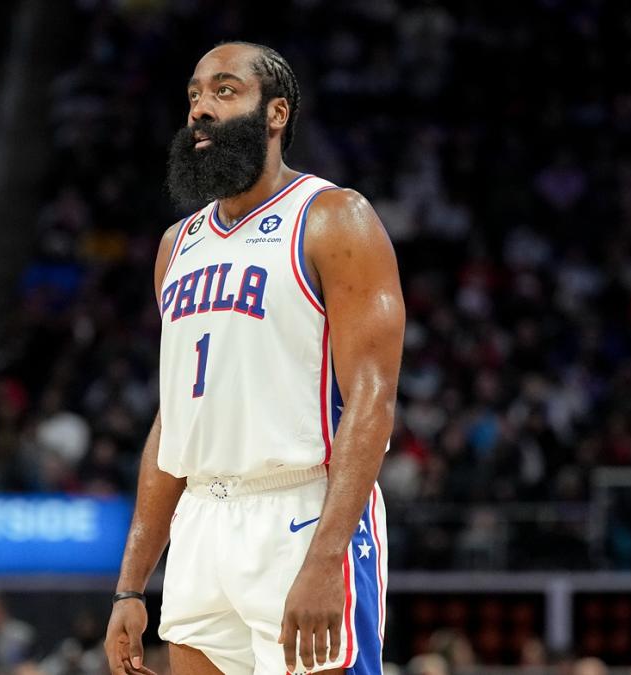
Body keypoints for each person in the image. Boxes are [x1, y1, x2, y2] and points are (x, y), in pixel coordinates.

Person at [105, 41, 404, 675]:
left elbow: (373, 401)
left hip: (300, 511)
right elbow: (173, 421)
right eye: (193, 95)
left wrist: (326, 557)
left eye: (224, 90)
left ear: (276, 113)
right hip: (203, 521)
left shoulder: (332, 218)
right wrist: (132, 584)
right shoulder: (176, 245)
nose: (201, 110)